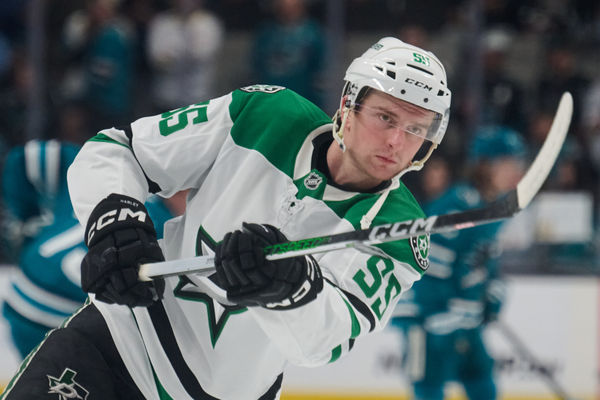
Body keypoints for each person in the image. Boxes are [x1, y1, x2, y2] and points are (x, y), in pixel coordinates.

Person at [1, 37, 452, 399]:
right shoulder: (264, 114)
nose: (396, 140)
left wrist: (290, 285)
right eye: (385, 117)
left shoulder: (401, 235)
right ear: (349, 104)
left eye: (415, 129)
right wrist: (115, 220)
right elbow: (117, 150)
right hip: (113, 344)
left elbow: (322, 343)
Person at [0, 139, 184, 359]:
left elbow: (30, 156)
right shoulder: (173, 234)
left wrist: (27, 223)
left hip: (22, 291)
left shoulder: (113, 181)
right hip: (62, 320)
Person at [390, 126, 528, 400]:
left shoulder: (494, 208)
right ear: (485, 166)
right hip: (424, 317)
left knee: (482, 382)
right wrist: (438, 311)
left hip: (462, 316)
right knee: (429, 386)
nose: (514, 170)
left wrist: (491, 297)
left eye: (517, 162)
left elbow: (484, 262)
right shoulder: (456, 205)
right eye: (507, 162)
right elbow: (425, 263)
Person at [251, 0, 326, 107]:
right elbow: (256, 68)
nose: (288, 6)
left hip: (303, 100)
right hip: (270, 101)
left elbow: (321, 73)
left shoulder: (313, 34)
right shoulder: (266, 33)